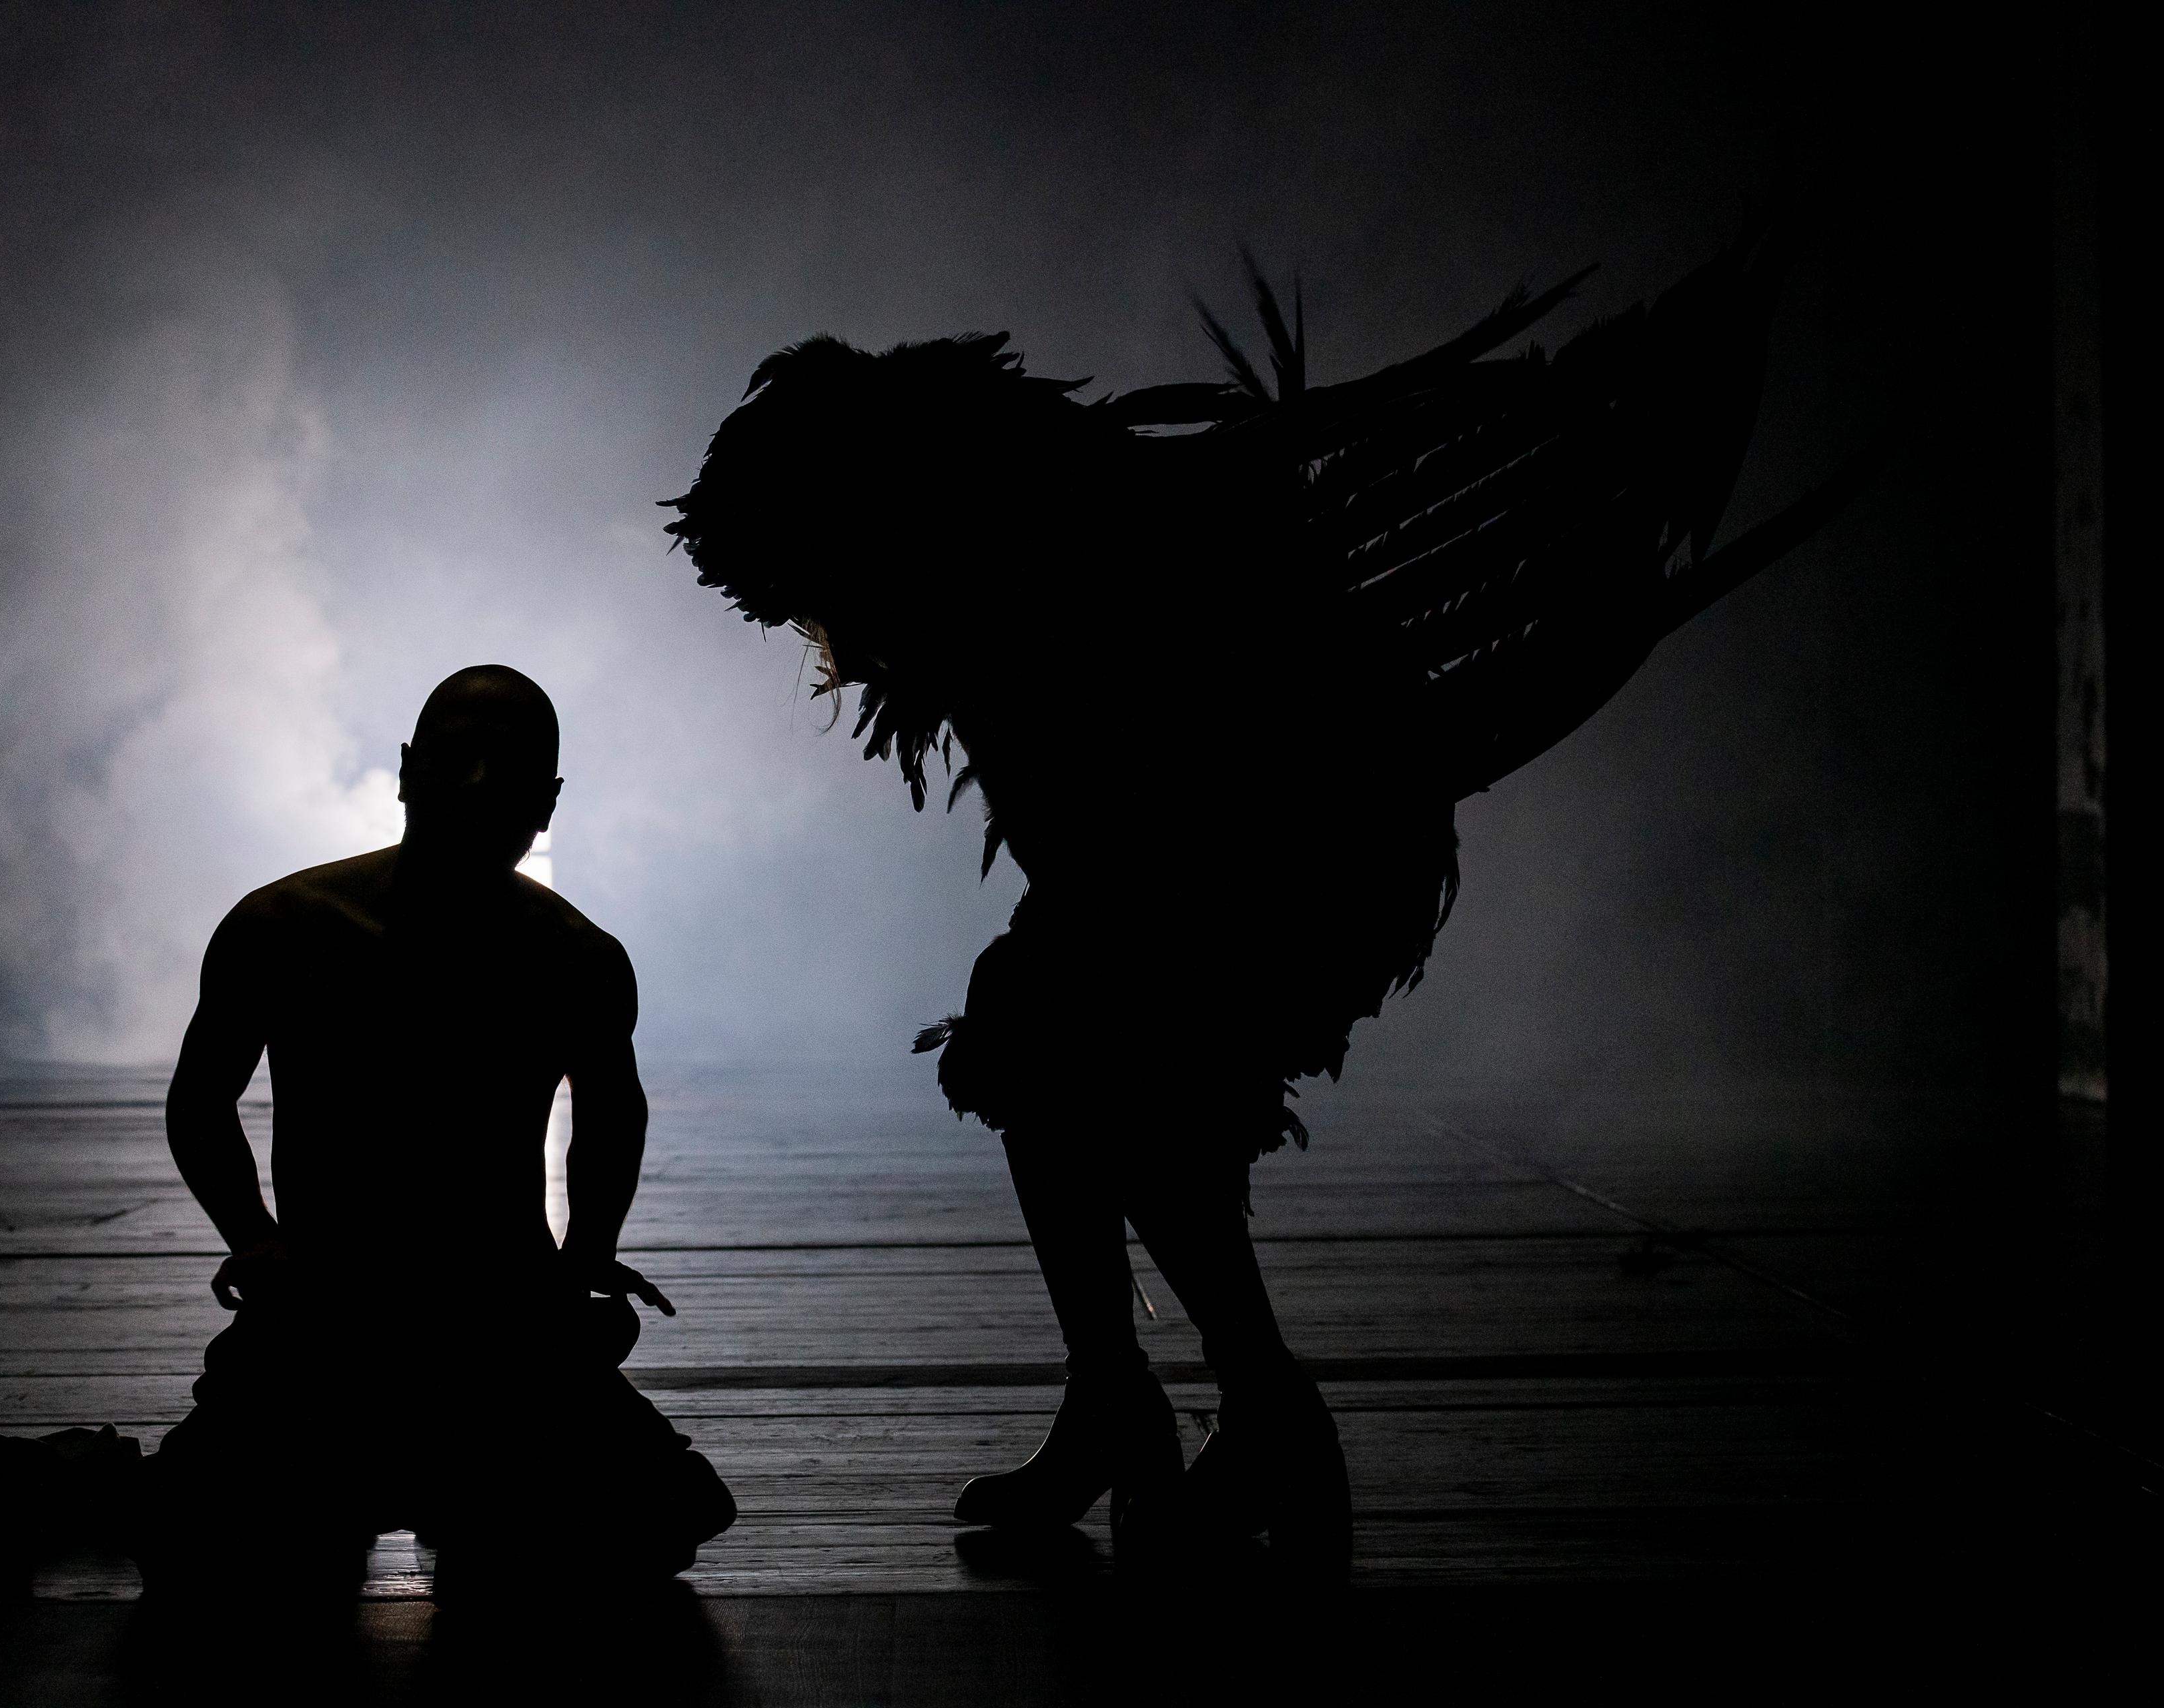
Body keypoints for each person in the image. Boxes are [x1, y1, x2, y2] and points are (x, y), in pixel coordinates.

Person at [662, 181, 1909, 1577]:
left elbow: (1176, 774)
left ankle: (1262, 1411)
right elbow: (1085, 818)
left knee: (1110, 1070)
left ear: (856, 520)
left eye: (809, 595)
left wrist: (1104, 928)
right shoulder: (982, 558)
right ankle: (1126, 1395)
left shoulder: (1057, 549)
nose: (823, 635)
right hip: (1193, 853)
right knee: (1046, 1046)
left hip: (1292, 851)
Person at [137, 665, 733, 1595]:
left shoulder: (575, 957)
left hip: (498, 1326)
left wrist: (583, 1262)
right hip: (328, 1320)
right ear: (409, 772)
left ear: (549, 802)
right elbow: (201, 1098)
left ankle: (443, 1486)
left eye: (509, 768)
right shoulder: (285, 927)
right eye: (458, 759)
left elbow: (614, 1115)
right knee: (192, 1535)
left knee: (659, 1516)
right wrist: (255, 1239)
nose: (479, 786)